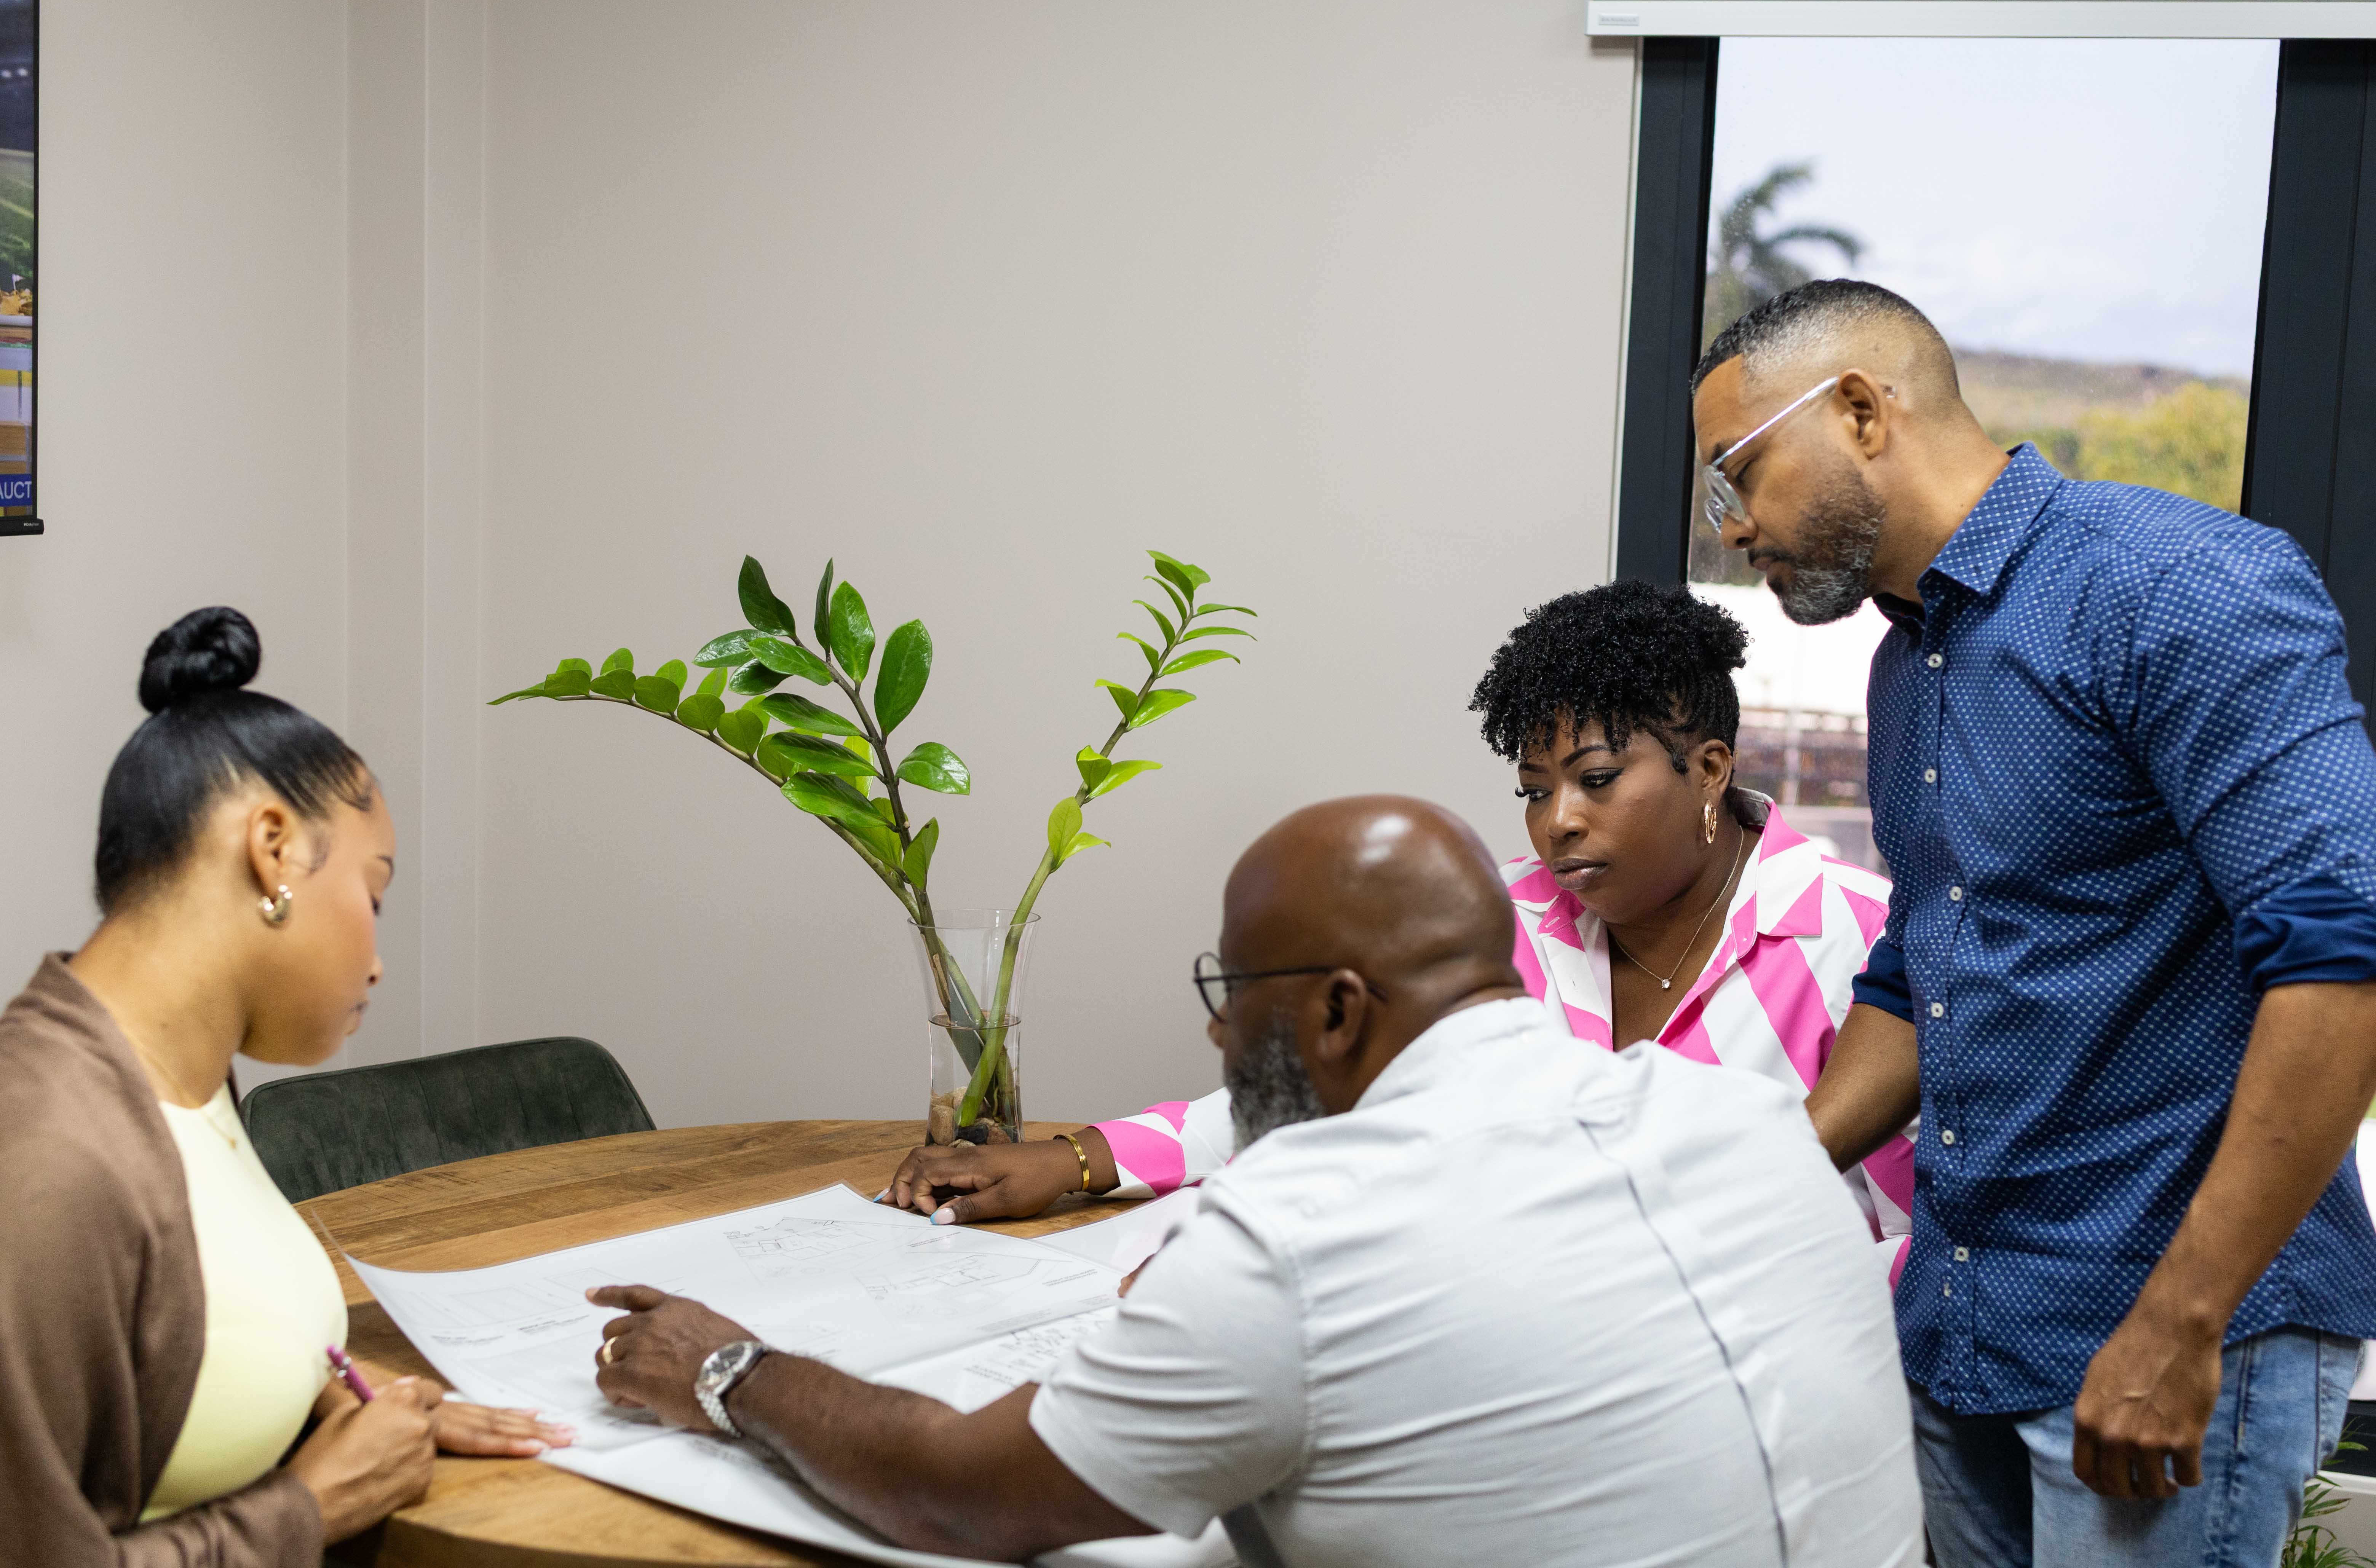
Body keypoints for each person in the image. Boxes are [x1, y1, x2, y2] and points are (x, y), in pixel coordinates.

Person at [590, 796, 1925, 1566]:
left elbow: (952, 1489)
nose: (1219, 1036)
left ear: (1340, 1013)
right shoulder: (1747, 1127)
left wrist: (724, 1369)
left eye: (1231, 997)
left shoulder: (1305, 1240)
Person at [1693, 278, 2376, 1565]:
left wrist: (2181, 1323)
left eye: (1741, 475)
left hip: (2169, 1332)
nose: (1734, 529)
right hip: (1969, 1329)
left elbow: (2342, 962)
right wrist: (1752, 1177)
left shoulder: (2177, 588)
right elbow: (1924, 970)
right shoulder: (1909, 666)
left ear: (1856, 410)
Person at [883, 581, 1919, 1280]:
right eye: (1534, 789)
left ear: (1708, 769)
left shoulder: (1859, 943)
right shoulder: (1503, 920)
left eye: (1597, 781)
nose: (1557, 820)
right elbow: (1331, 1088)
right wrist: (1076, 1162)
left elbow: (1919, 1240)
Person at [0, 608, 572, 1566]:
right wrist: (312, 1505)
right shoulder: (49, 1147)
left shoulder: (175, 1074)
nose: (379, 960)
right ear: (272, 847)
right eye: (375, 893)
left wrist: (364, 1404)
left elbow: (199, 1311)